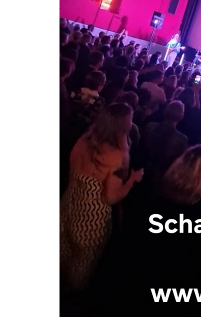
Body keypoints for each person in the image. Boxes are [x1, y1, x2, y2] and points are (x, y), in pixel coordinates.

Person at [59, 103, 144, 292]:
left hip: (68, 203)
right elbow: (111, 198)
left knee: (62, 252)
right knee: (81, 266)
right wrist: (132, 179)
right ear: (124, 125)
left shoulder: (83, 140)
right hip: (91, 217)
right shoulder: (116, 155)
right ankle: (69, 299)